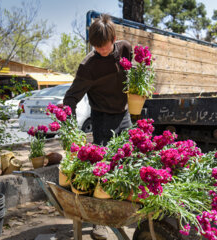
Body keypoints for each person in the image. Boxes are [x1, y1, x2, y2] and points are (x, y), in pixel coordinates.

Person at [62, 14, 132, 240]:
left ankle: (122, 210)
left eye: (105, 45)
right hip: (102, 119)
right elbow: (70, 98)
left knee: (128, 163)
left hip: (124, 115)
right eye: (96, 46)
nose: (101, 50)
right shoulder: (88, 66)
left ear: (114, 38)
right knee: (103, 171)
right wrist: (70, 131)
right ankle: (98, 223)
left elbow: (134, 74)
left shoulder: (124, 49)